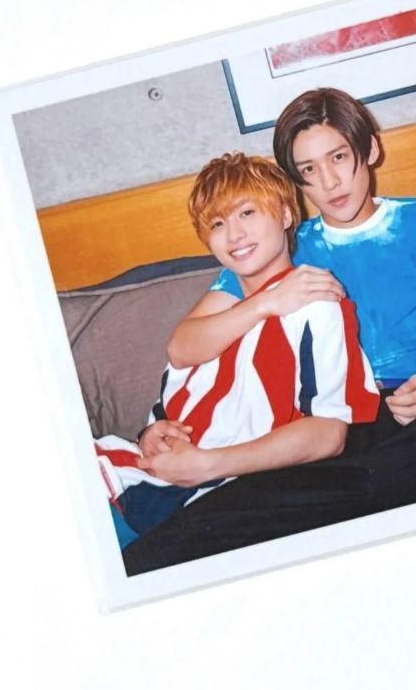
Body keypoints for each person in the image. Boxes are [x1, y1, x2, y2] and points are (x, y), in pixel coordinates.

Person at [122, 89, 416, 575]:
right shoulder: (280, 244)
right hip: (323, 429)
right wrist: (266, 302)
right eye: (309, 169)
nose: (329, 181)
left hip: (415, 412)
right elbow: (184, 344)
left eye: (339, 157)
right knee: (209, 530)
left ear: (370, 150)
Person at [96, 153, 379, 542]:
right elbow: (179, 355)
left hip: (205, 493)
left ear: (285, 215)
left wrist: (207, 465)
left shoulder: (315, 303)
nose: (234, 235)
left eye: (247, 213)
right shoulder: (222, 311)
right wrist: (152, 432)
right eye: (218, 223)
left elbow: (329, 433)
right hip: (138, 473)